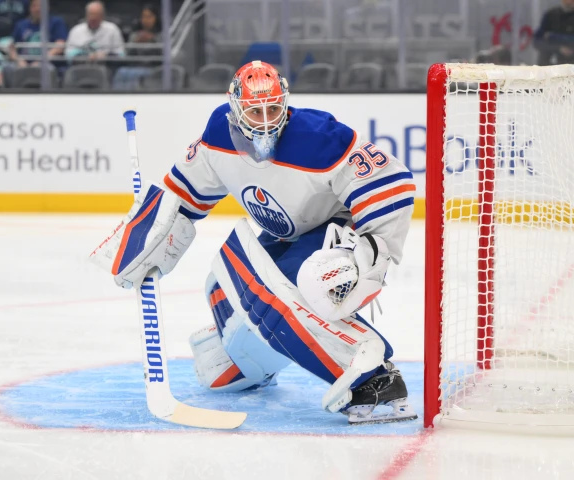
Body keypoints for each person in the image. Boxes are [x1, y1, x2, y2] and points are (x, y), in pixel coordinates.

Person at [91, 61, 417, 425]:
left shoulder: (318, 138)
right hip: (287, 234)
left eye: (273, 110)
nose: (264, 122)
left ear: (285, 104)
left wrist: (373, 252)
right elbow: (181, 197)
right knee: (221, 312)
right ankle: (258, 365)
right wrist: (144, 240)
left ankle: (375, 379)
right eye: (254, 111)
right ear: (235, 108)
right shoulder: (218, 135)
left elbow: (393, 184)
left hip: (335, 232)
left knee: (271, 285)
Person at [10, 0, 67, 67]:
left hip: (48, 63)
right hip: (23, 63)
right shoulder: (21, 25)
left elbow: (60, 46)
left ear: (47, 7)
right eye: (34, 6)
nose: (37, 9)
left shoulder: (56, 22)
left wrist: (41, 60)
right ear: (30, 8)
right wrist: (19, 60)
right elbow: (12, 48)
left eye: (41, 6)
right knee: (8, 67)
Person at [533, 0, 574, 65]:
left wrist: (551, 37)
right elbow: (537, 41)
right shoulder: (551, 14)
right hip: (549, 63)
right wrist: (558, 48)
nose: (569, 2)